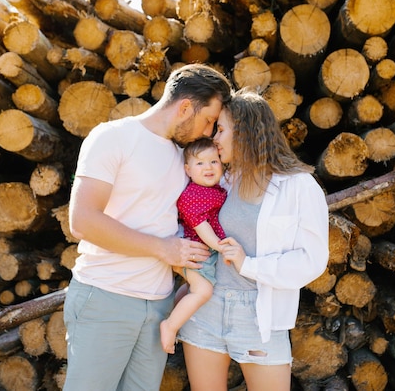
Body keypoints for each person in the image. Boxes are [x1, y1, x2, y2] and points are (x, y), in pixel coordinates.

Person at [63, 63, 232, 391]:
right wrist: (163, 248)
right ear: (184, 107)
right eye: (208, 120)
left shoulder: (183, 158)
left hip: (158, 305)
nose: (209, 132)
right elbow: (82, 221)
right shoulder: (112, 137)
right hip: (105, 297)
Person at [177, 89, 330, 391]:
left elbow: (312, 260)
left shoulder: (299, 186)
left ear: (244, 130)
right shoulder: (221, 180)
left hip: (259, 318)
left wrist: (250, 265)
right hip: (207, 306)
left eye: (221, 130)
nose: (215, 139)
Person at [160, 137, 227, 354]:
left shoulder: (214, 190)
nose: (208, 167)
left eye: (214, 162)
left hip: (205, 252)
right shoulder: (193, 195)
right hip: (197, 251)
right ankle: (170, 326)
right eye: (200, 163)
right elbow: (201, 226)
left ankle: (171, 313)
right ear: (188, 170)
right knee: (203, 291)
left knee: (190, 289)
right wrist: (219, 245)